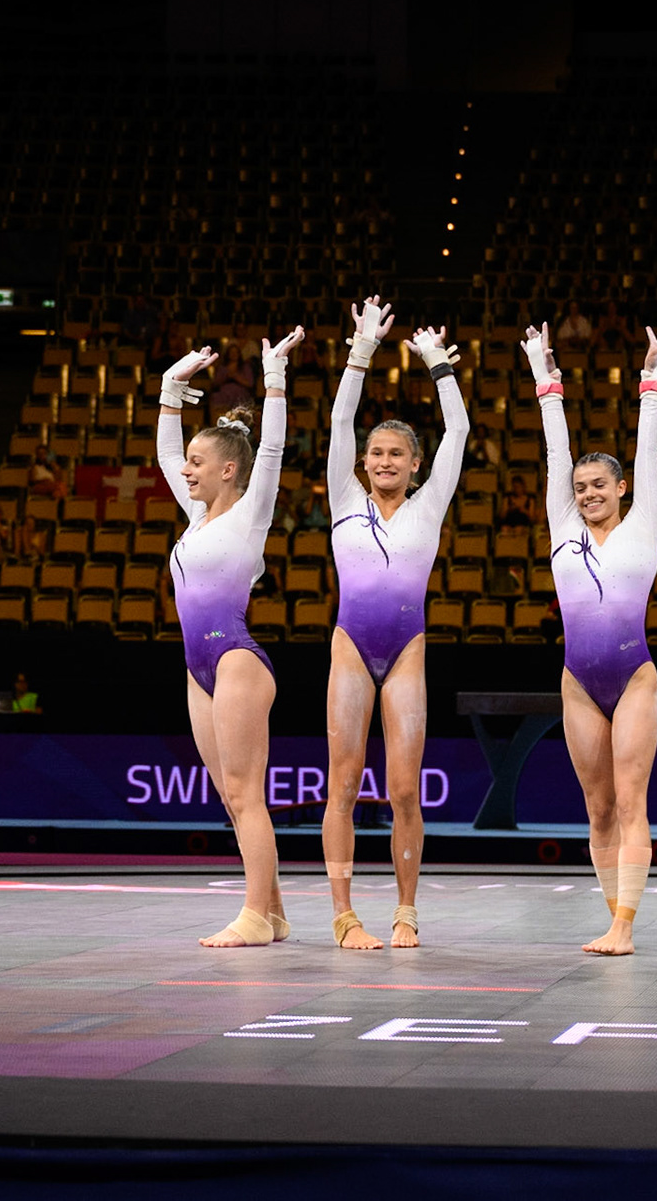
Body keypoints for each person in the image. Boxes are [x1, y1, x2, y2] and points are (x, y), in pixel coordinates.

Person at [527, 319, 657, 955]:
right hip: (579, 683)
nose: (588, 493)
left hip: (633, 675)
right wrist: (546, 382)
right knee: (598, 807)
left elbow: (649, 453)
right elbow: (554, 456)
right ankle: (613, 916)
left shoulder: (644, 523)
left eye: (599, 485)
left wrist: (652, 384)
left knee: (631, 800)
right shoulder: (563, 527)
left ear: (621, 489)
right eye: (581, 487)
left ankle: (625, 928)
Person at [323, 298, 469, 951]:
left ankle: (406, 911)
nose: (384, 460)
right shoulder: (344, 499)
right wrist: (360, 352)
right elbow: (338, 421)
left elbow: (458, 431)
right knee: (344, 783)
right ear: (363, 462)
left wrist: (438, 366)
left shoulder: (429, 505)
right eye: (376, 452)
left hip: (406, 649)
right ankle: (344, 916)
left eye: (397, 454)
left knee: (405, 789)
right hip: (351, 648)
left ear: (415, 464)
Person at [156, 328, 299, 947]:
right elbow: (166, 452)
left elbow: (274, 449)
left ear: (229, 470)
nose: (185, 469)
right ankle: (274, 911)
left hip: (236, 659)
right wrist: (171, 387)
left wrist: (275, 379)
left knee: (245, 793)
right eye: (187, 461)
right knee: (229, 795)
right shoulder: (196, 517)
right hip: (199, 666)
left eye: (197, 462)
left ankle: (253, 919)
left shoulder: (249, 514)